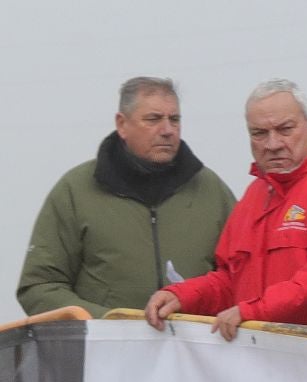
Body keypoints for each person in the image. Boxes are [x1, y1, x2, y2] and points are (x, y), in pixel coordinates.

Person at [144, 81, 307, 340]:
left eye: (285, 129)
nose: (272, 144)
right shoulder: (255, 195)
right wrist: (184, 296)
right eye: (259, 133)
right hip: (284, 366)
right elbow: (232, 281)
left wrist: (256, 311)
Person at [18, 77, 232, 317]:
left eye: (174, 119)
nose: (167, 130)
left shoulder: (212, 191)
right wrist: (111, 325)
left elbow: (242, 278)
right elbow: (39, 288)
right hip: (104, 352)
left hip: (194, 351)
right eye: (153, 119)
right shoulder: (75, 192)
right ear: (122, 124)